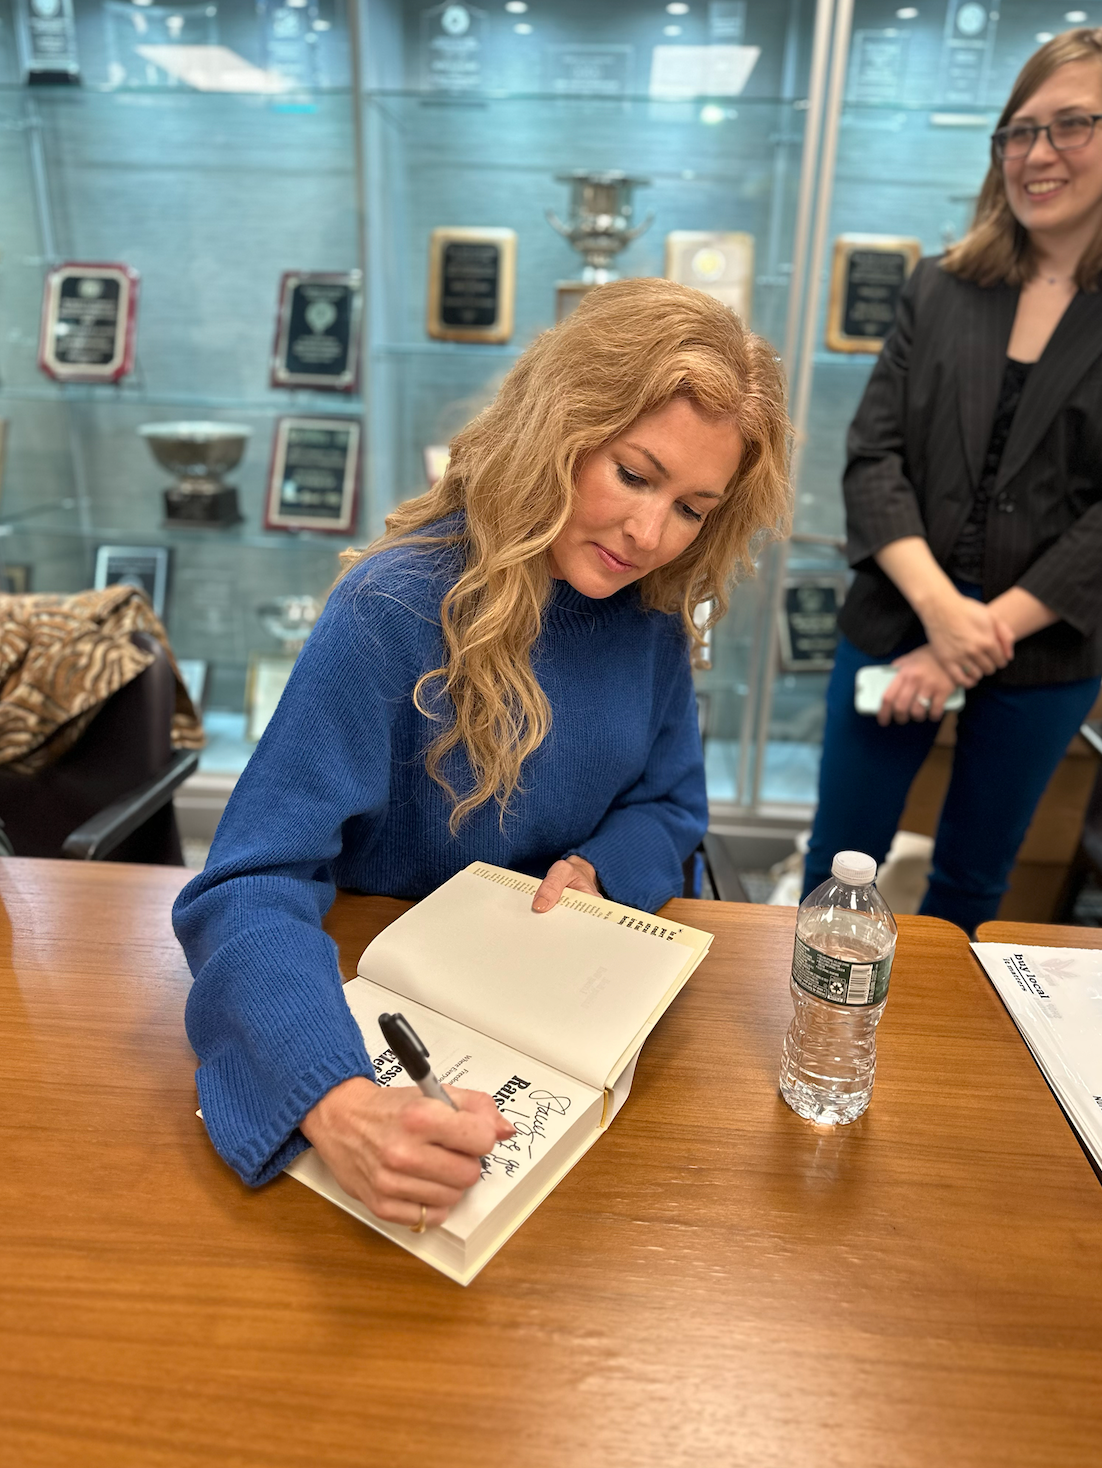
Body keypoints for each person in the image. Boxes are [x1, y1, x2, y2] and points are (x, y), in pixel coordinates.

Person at [174, 277, 791, 1231]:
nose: (650, 534)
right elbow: (247, 881)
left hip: (570, 1023)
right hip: (392, 1010)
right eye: (634, 474)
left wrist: (600, 872)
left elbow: (671, 809)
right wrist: (331, 1100)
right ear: (560, 429)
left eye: (692, 508)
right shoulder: (393, 611)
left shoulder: (653, 618)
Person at [803, 28, 1102, 934]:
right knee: (838, 862)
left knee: (972, 884)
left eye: (1072, 125)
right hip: (897, 615)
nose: (1037, 153)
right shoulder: (938, 289)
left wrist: (972, 640)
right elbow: (872, 458)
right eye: (1019, 131)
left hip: (1046, 648)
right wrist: (939, 614)